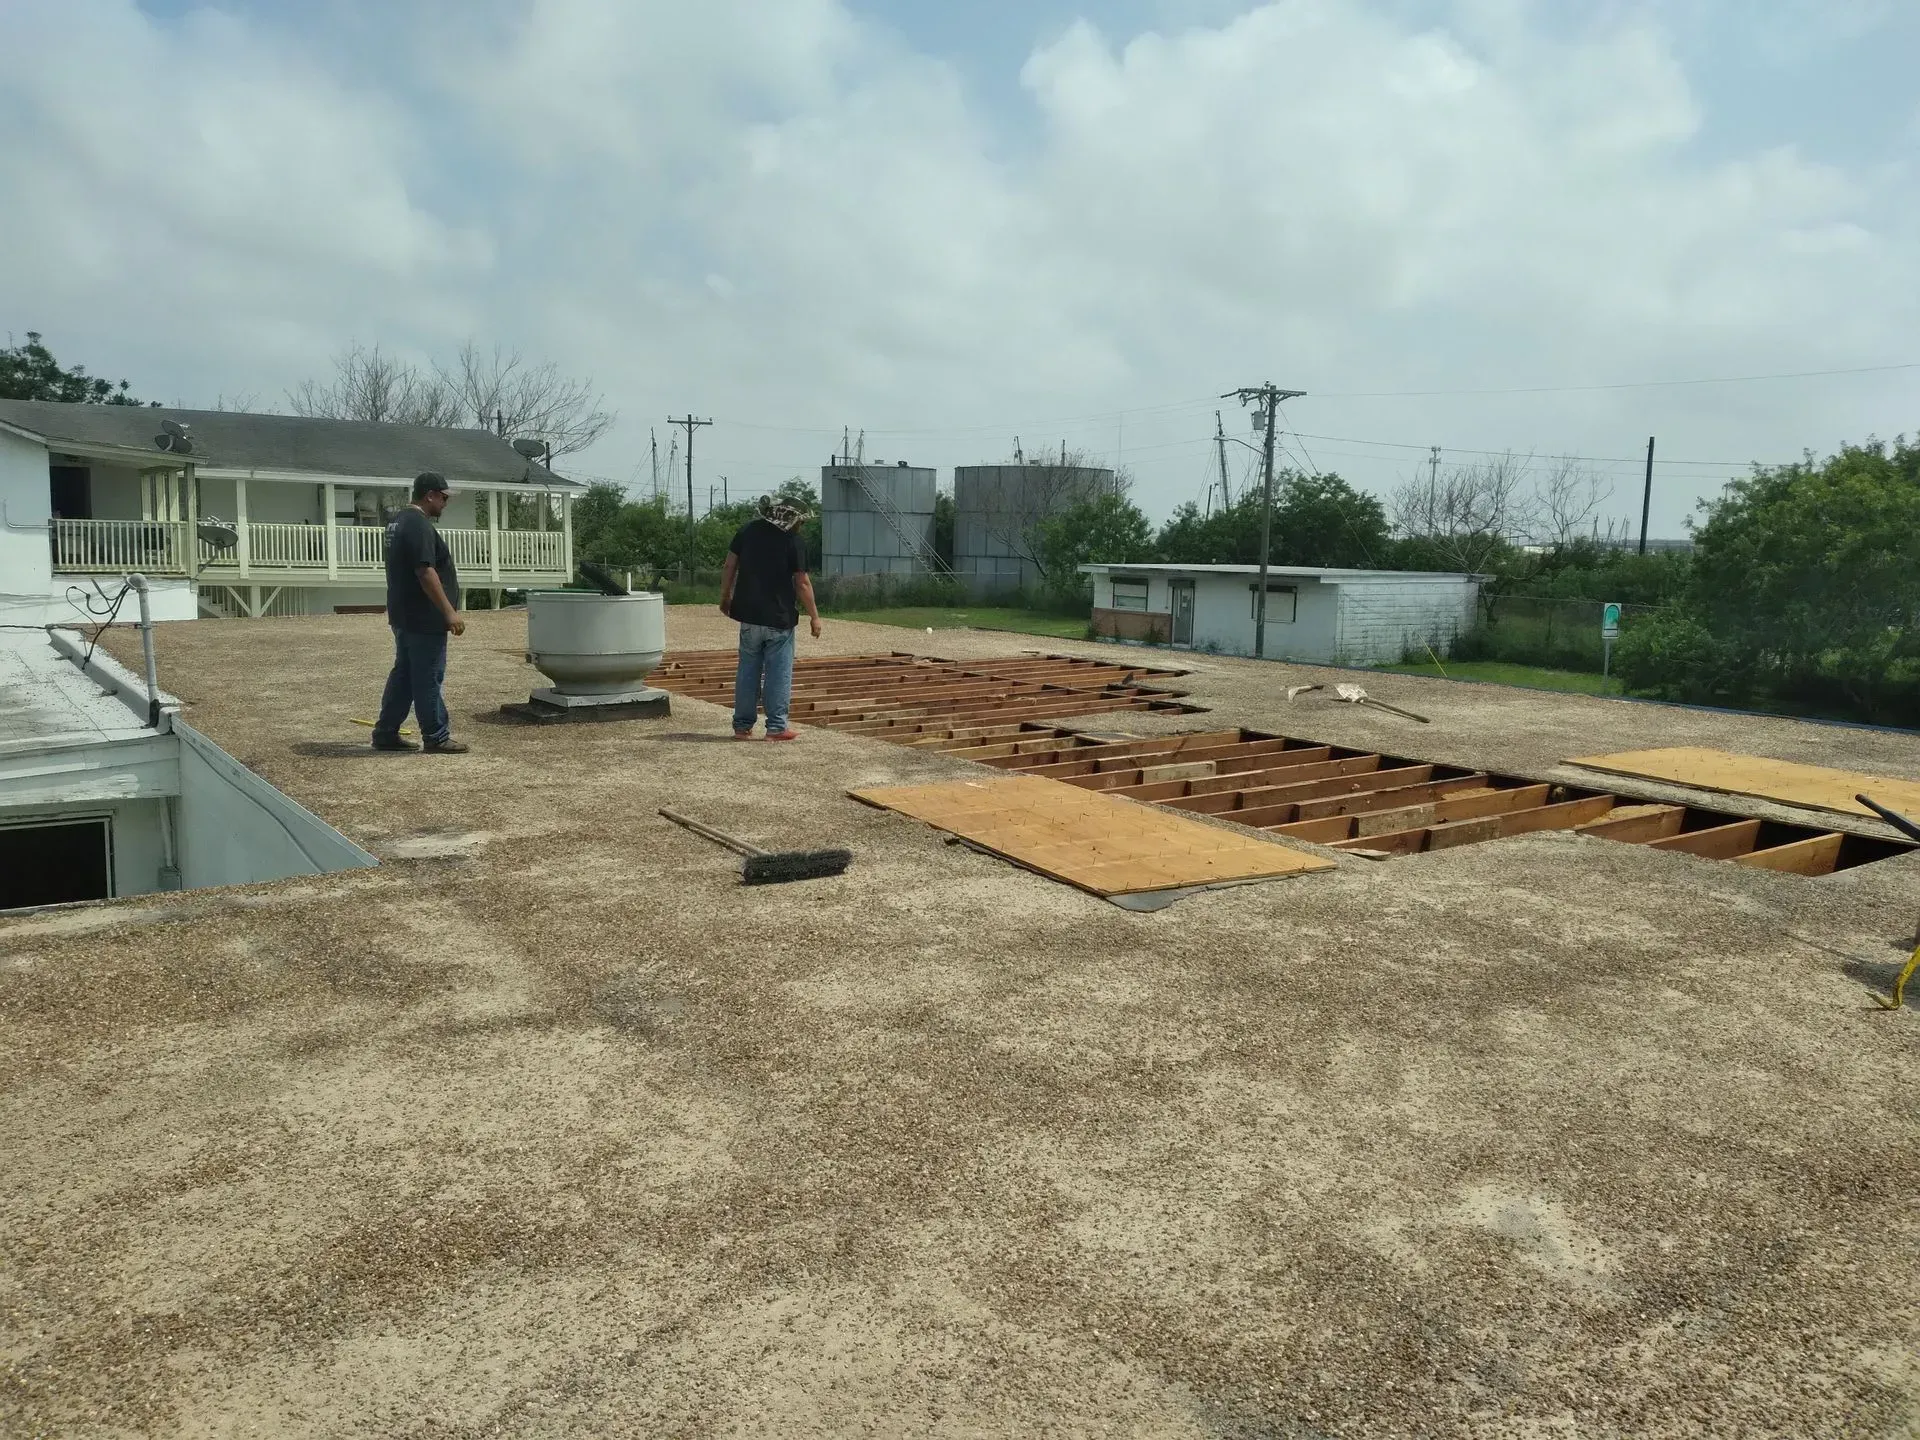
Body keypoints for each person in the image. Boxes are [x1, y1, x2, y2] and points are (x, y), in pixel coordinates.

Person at [371, 472, 469, 754]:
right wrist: (449, 612)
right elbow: (425, 571)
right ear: (430, 495)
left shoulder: (397, 521)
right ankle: (436, 736)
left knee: (404, 675)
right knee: (428, 676)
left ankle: (386, 732)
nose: (446, 503)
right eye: (444, 497)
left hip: (404, 613)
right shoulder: (418, 525)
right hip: (424, 616)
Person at [719, 496, 821, 740]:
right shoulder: (793, 541)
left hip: (748, 615)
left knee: (747, 670)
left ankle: (742, 726)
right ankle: (776, 727)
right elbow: (802, 583)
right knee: (778, 673)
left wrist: (725, 596)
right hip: (779, 618)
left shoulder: (747, 531)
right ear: (793, 519)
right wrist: (814, 617)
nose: (801, 526)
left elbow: (729, 565)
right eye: (801, 522)